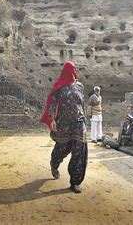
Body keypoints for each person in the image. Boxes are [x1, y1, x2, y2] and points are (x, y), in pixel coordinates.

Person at [40, 61, 88, 194]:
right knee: (62, 148)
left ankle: (75, 182)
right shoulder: (59, 87)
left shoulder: (80, 86)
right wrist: (52, 119)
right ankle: (54, 163)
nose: (73, 72)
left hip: (79, 123)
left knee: (79, 151)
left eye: (74, 69)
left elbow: (81, 104)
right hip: (64, 123)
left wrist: (85, 122)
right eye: (70, 69)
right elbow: (52, 104)